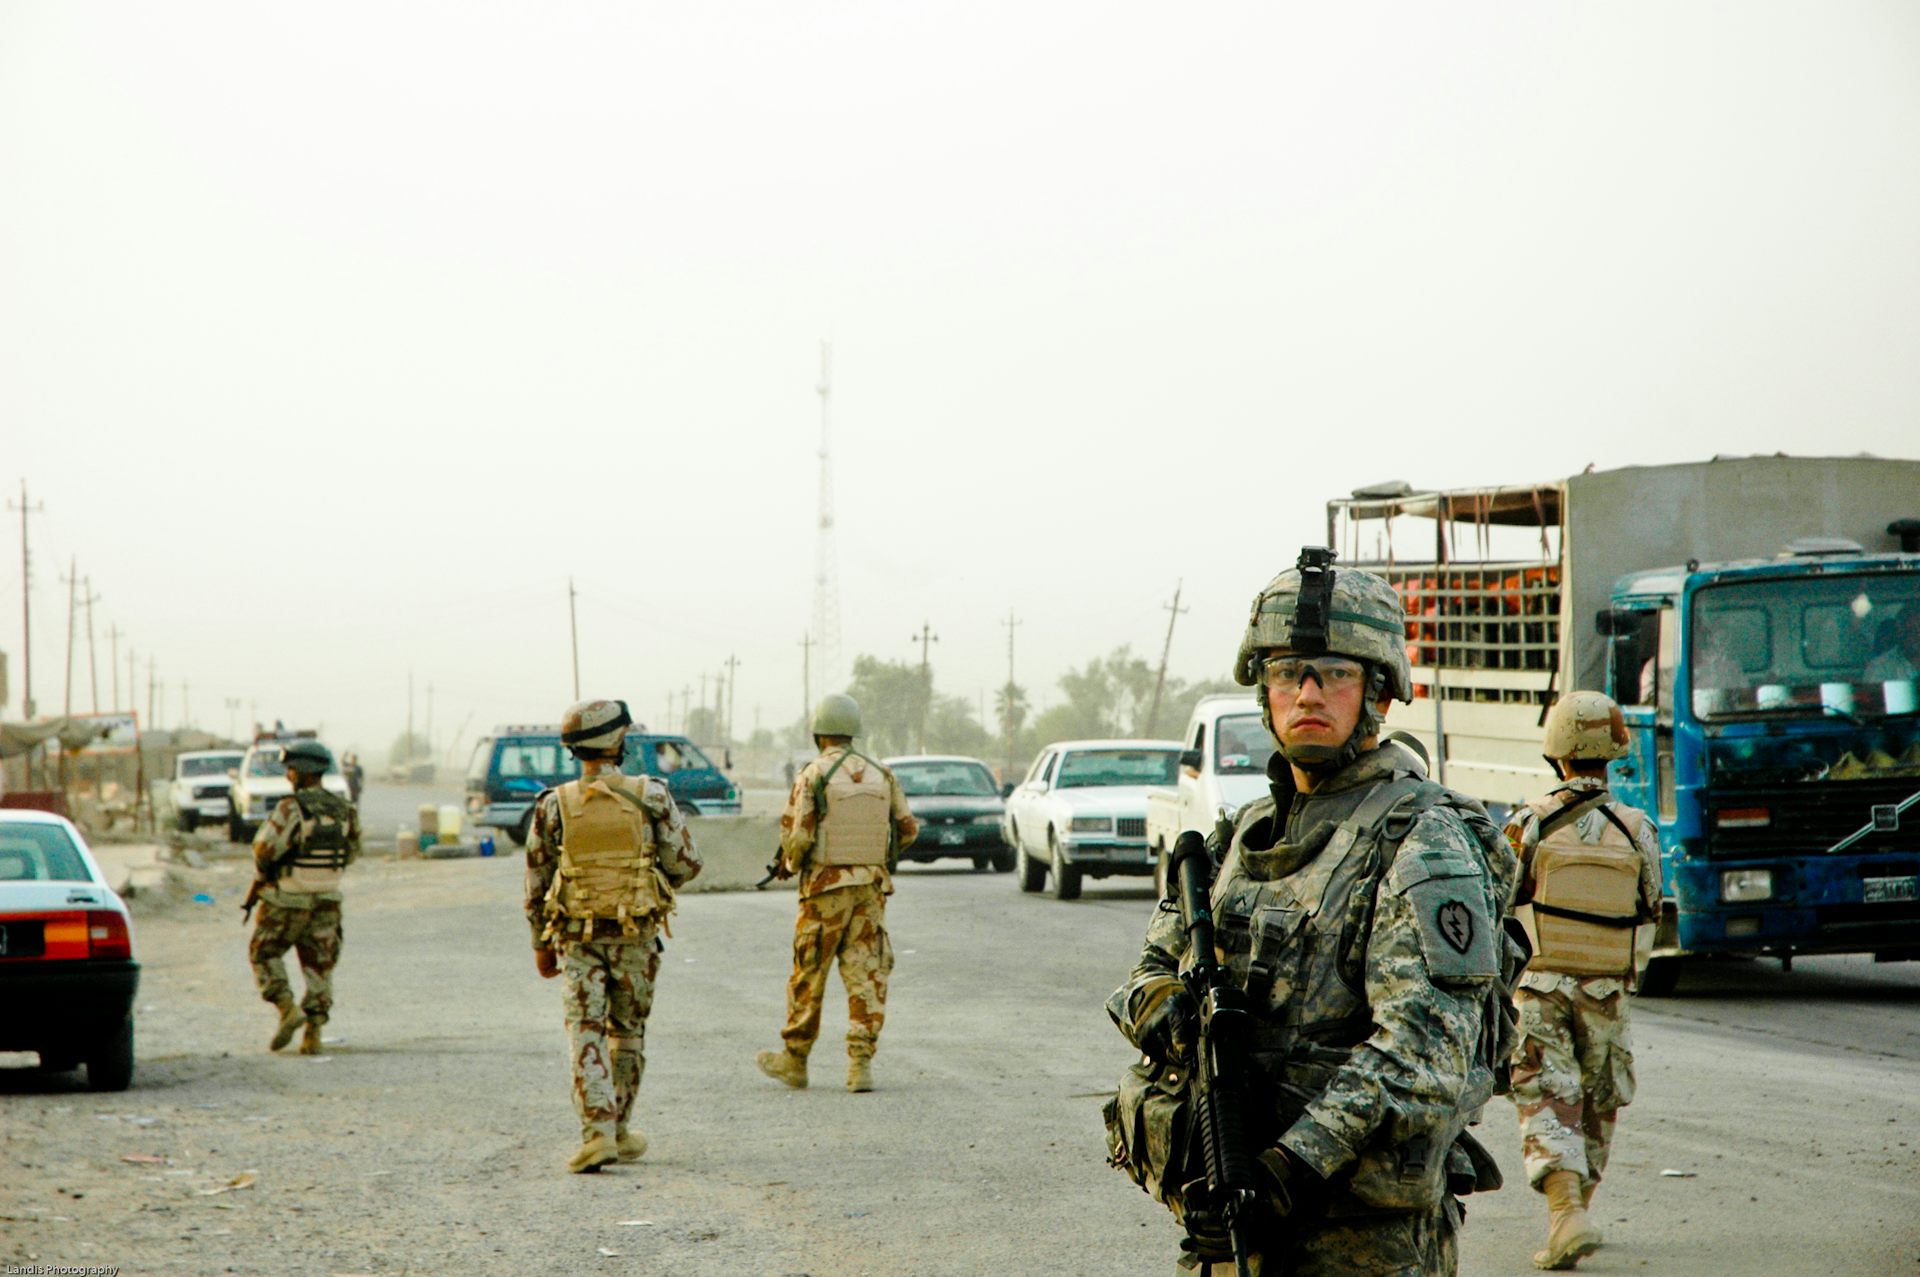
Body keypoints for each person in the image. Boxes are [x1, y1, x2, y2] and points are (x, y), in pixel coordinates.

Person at [1106, 548, 1521, 1276]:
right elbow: (1143, 974)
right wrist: (1175, 1012)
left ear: (1379, 692)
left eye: (1334, 673)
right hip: (1229, 1214)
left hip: (1356, 1239)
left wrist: (1285, 1170)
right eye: (1284, 674)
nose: (1306, 693)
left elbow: (1424, 1049)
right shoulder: (1237, 837)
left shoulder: (1421, 838)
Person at [1503, 690, 1662, 1271]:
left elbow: (1501, 897)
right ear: (1614, 751)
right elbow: (1651, 905)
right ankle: (1573, 1213)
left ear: (1556, 753)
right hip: (1607, 990)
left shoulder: (1529, 822)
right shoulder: (1637, 827)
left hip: (1540, 987)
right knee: (1598, 1102)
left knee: (1548, 1097)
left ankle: (1566, 1214)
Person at [525, 698, 702, 1174]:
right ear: (618, 741)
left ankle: (598, 1134)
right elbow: (685, 866)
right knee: (627, 1032)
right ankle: (619, 1128)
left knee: (586, 1031)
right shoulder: (653, 796)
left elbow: (536, 882)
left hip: (578, 939)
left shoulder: (552, 805)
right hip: (637, 938)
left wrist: (540, 945)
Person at [755, 693, 918, 1094]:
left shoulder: (813, 774)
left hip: (824, 891)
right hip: (870, 889)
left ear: (818, 733)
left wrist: (790, 866)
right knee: (866, 974)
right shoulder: (883, 774)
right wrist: (876, 858)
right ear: (853, 731)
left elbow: (799, 837)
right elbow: (909, 830)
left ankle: (795, 1060)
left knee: (809, 973)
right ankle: (859, 1065)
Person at [248, 739, 361, 1056]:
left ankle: (287, 1009)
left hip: (287, 901)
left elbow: (264, 850)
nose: (288, 775)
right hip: (327, 899)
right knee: (319, 965)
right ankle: (314, 1031)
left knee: (263, 952)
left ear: (304, 772)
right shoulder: (345, 810)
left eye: (292, 769)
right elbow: (352, 854)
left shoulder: (290, 808)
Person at [1866, 608, 1920, 681]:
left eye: (1918, 631)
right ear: (1899, 632)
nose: (1916, 636)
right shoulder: (1879, 667)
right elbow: (1873, 691)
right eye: (1910, 631)